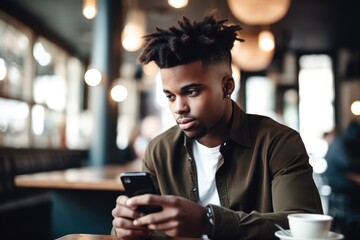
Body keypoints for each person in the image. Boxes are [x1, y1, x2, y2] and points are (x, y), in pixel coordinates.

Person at [111, 15, 323, 239]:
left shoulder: (278, 143)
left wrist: (209, 221)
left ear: (227, 86)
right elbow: (144, 228)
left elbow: (304, 227)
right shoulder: (159, 150)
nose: (179, 107)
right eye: (170, 96)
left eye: (191, 92)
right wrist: (125, 228)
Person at [325, 121, 360, 240]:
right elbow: (347, 163)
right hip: (340, 188)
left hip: (337, 188)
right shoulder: (341, 144)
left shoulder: (340, 141)